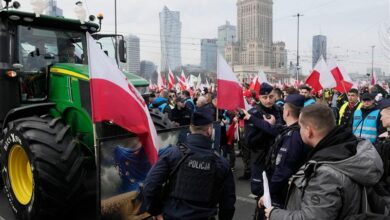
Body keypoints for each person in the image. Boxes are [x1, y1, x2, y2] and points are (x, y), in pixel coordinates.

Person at [265, 104, 383, 220]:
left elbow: (312, 217)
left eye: (300, 127)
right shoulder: (349, 146)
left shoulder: (325, 173)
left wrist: (274, 214)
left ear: (309, 131)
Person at [142, 108, 236, 220]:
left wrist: (156, 212)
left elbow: (150, 186)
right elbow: (228, 203)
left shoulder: (173, 154)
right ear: (210, 130)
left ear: (190, 128)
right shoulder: (221, 163)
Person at [258, 94, 309, 208]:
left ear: (287, 113)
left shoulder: (293, 136)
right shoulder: (297, 129)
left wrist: (268, 193)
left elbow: (283, 170)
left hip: (283, 193)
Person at [242, 83, 283, 197]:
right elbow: (249, 141)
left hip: (277, 156)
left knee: (276, 190)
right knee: (259, 190)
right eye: (264, 97)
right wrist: (266, 127)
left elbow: (280, 131)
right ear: (259, 98)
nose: (268, 100)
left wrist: (271, 128)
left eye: (271, 97)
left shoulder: (279, 110)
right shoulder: (253, 113)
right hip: (260, 156)